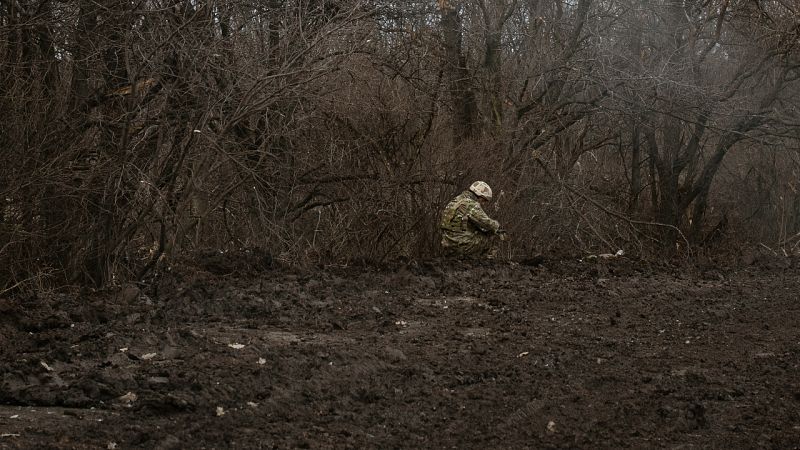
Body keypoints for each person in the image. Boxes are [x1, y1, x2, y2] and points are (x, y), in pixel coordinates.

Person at [439, 181, 505, 258]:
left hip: (446, 243)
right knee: (495, 236)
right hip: (460, 244)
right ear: (479, 195)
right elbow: (487, 223)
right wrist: (497, 226)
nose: (483, 203)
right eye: (484, 200)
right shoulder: (471, 204)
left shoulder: (456, 200)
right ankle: (484, 266)